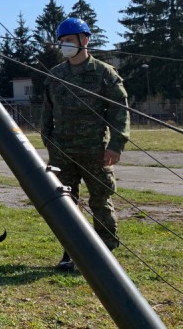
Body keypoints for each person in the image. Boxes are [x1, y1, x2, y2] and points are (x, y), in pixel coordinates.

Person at [40, 17, 129, 271]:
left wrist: (116, 145)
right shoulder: (56, 75)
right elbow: (47, 114)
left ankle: (105, 254)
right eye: (63, 41)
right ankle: (71, 253)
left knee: (101, 201)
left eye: (70, 40)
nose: (66, 45)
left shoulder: (104, 73)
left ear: (85, 40)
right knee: (67, 203)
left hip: (96, 152)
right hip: (62, 153)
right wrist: (48, 142)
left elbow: (119, 111)